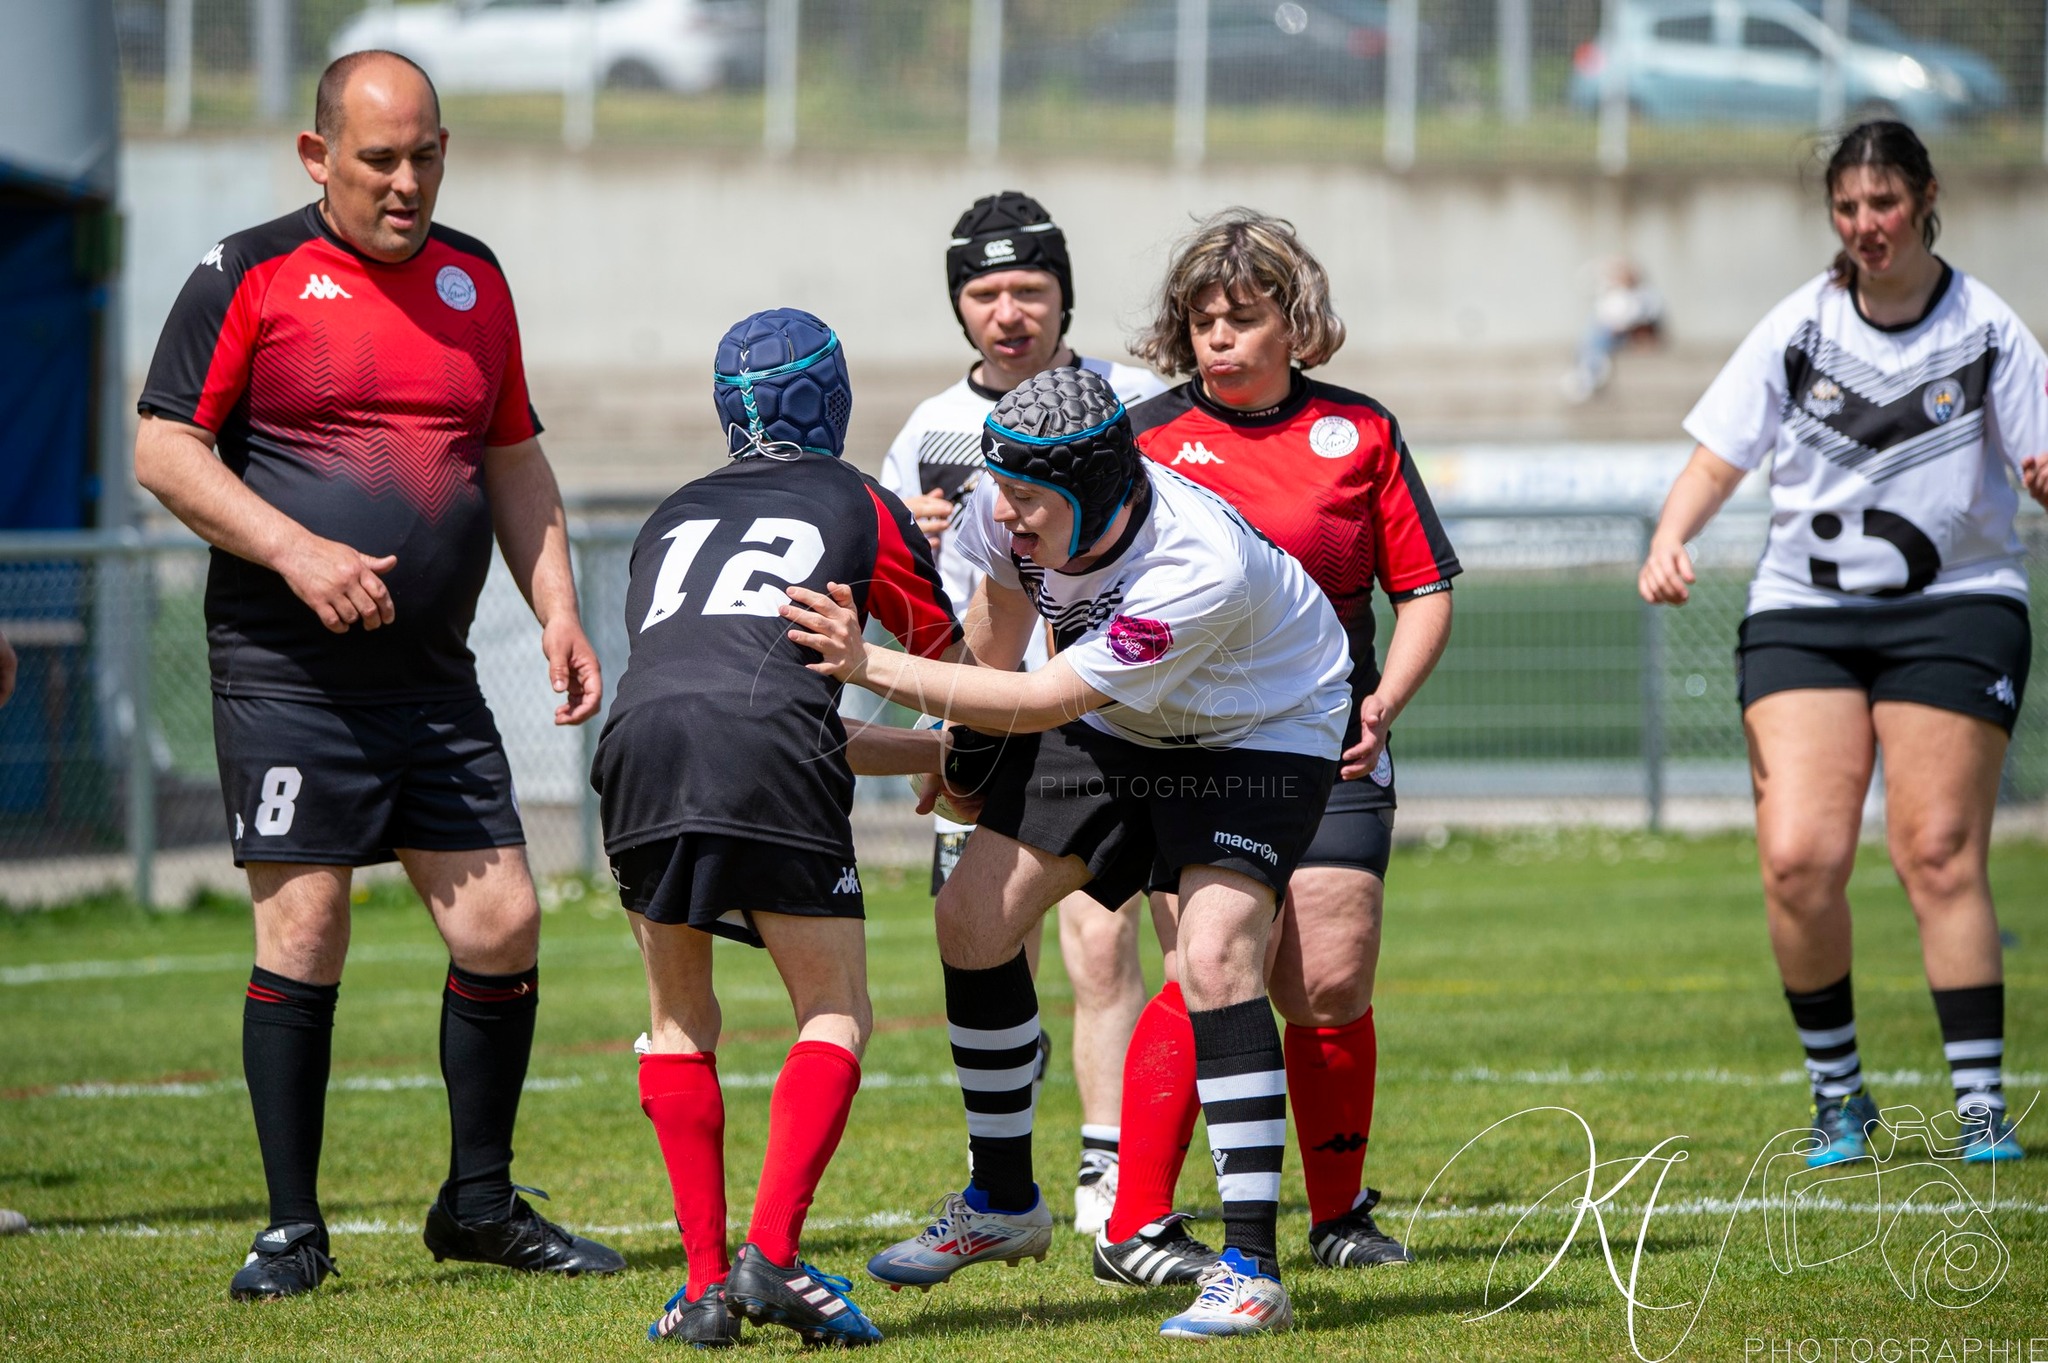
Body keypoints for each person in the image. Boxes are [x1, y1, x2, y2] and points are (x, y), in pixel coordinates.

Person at [133, 50, 622, 1300]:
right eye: (379, 161)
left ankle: (477, 1203)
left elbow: (513, 461)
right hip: (287, 668)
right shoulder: (245, 273)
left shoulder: (478, 278)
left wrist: (559, 612)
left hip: (434, 671)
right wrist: (295, 552)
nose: (408, 184)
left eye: (428, 156)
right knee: (306, 924)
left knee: (503, 920)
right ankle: (292, 1227)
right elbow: (162, 449)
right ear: (317, 159)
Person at [785, 366, 1353, 1337]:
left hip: (1260, 728)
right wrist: (964, 766)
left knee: (1214, 952)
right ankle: (1004, 1202)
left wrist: (865, 663)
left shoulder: (1194, 558)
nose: (1001, 513)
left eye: (1026, 495)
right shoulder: (1002, 511)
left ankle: (1251, 1266)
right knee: (970, 915)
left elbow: (1047, 699)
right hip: (1125, 719)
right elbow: (997, 654)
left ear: (1094, 487)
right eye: (997, 486)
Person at [1638, 121, 2046, 1167]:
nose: (1865, 225)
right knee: (1796, 858)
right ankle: (1839, 1097)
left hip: (1953, 606)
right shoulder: (1797, 328)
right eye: (1846, 208)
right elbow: (1714, 458)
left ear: (1922, 198)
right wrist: (1668, 537)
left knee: (1936, 851)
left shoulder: (1987, 330)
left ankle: (1975, 1107)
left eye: (1883, 203)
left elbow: (2039, 454)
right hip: (1803, 613)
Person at [1101, 208, 1460, 1277]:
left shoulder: (1360, 432)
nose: (1219, 338)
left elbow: (1425, 590)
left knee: (1330, 980)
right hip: (1191, 747)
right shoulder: (1146, 439)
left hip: (1330, 737)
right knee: (1207, 963)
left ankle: (1338, 1213)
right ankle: (1137, 1223)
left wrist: (1381, 700)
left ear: (1294, 324)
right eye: (1201, 320)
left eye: (1243, 317)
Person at [593, 309, 962, 1348]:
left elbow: (734, 699)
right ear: (831, 398)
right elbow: (948, 662)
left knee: (676, 1023)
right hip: (764, 756)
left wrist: (924, 758)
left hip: (637, 750)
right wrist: (962, 754)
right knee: (833, 1008)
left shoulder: (669, 515)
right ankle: (772, 1252)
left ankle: (704, 1287)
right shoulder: (855, 497)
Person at [880, 190, 1165, 1236]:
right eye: (984, 291)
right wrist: (912, 540)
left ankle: (1105, 1166)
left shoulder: (1132, 399)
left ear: (1063, 297)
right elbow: (900, 589)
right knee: (987, 939)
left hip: (1103, 713)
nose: (1008, 312)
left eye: (1029, 289)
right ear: (959, 306)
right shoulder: (928, 430)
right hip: (987, 707)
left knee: (1101, 947)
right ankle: (996, 1170)